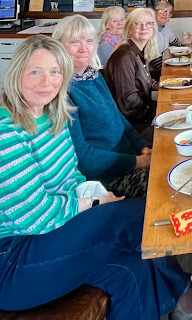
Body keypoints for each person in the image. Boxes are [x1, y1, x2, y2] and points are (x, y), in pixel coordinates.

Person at [0, 35, 192, 320]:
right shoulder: (5, 135)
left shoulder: (54, 117)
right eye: (35, 71)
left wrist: (98, 196)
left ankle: (187, 305)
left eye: (54, 72)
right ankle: (189, 288)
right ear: (16, 75)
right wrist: (95, 204)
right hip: (10, 264)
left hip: (47, 239)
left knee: (132, 268)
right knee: (136, 216)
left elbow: (72, 177)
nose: (46, 81)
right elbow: (33, 218)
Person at [53, 15, 151, 198]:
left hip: (128, 158)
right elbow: (85, 160)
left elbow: (118, 118)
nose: (83, 48)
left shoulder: (93, 76)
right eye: (74, 42)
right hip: (107, 178)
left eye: (89, 41)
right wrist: (139, 162)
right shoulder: (61, 92)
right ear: (58, 46)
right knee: (167, 182)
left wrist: (142, 147)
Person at [105, 7, 159, 138]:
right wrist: (155, 112)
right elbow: (129, 102)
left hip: (141, 117)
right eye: (138, 23)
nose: (144, 27)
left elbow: (143, 79)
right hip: (131, 127)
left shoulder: (138, 52)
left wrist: (160, 85)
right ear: (129, 29)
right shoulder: (124, 56)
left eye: (149, 23)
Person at [150, 1, 192, 81]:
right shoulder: (148, 30)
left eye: (168, 12)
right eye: (161, 11)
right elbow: (152, 57)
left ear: (170, 16)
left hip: (164, 65)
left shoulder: (166, 29)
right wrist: (169, 70)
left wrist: (183, 42)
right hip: (153, 73)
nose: (165, 14)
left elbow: (175, 44)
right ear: (154, 13)